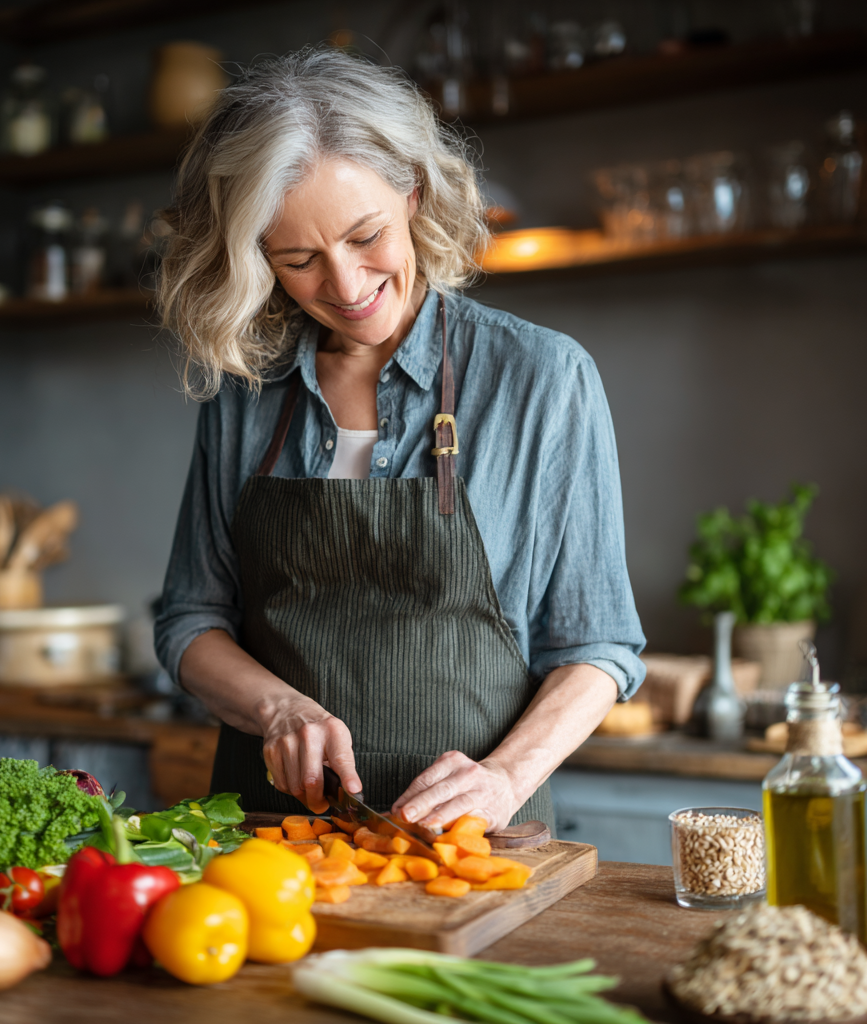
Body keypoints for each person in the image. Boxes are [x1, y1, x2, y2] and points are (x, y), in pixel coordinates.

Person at [154, 49, 645, 834]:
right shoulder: (247, 392)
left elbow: (599, 646)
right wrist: (277, 708)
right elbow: (190, 621)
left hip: (472, 846)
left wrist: (502, 780)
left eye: (365, 235)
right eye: (299, 260)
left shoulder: (542, 378)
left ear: (413, 193)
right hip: (270, 842)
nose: (345, 288)